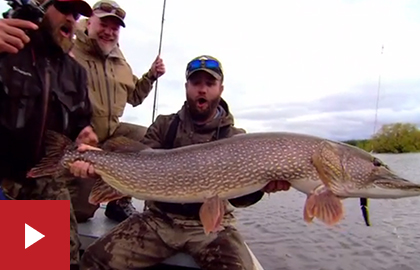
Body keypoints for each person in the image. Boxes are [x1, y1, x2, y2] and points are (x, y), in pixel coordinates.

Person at [74, 55, 291, 270]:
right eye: (196, 83)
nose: (202, 89)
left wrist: (262, 186)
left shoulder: (235, 139)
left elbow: (240, 198)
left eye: (210, 83)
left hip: (212, 229)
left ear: (221, 89)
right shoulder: (164, 125)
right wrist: (100, 168)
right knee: (95, 259)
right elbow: (138, 163)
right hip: (159, 221)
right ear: (187, 86)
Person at [0, 0, 98, 269]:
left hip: (39, 180)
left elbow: (81, 123)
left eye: (76, 14)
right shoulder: (6, 46)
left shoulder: (75, 72)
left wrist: (84, 137)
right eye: (64, 8)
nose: (71, 18)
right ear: (41, 8)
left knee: (57, 260)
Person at [67, 0, 166, 223]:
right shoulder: (70, 50)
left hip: (111, 136)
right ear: (89, 21)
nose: (109, 32)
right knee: (80, 212)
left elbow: (135, 97)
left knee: (149, 136)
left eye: (115, 28)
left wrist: (151, 76)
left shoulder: (120, 61)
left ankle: (119, 201)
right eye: (104, 24)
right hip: (79, 137)